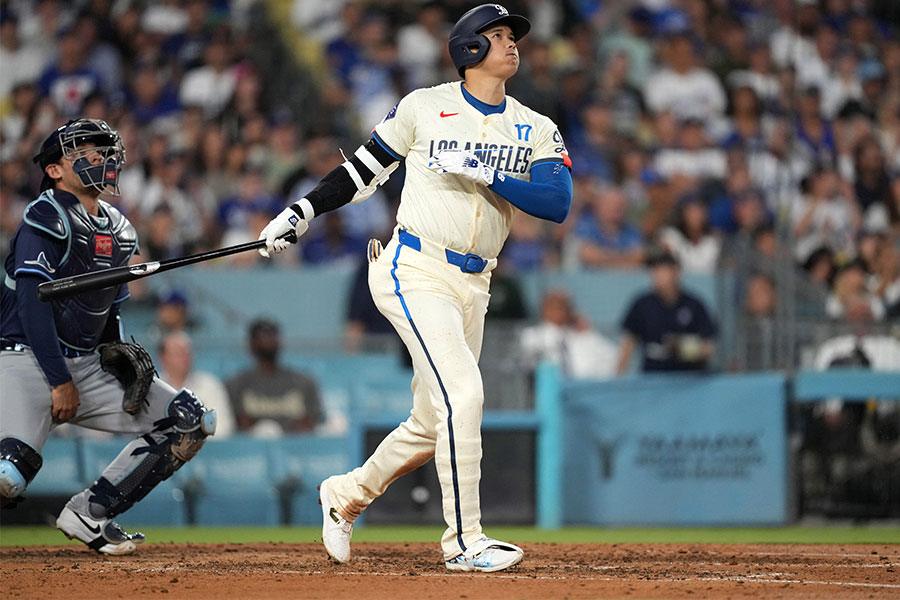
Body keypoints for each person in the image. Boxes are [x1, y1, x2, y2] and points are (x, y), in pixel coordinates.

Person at [258, 4, 572, 573]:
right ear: (469, 48)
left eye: (511, 36)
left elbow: (557, 203)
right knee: (465, 395)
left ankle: (346, 493)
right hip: (415, 268)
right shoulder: (424, 106)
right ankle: (464, 541)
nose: (511, 44)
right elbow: (361, 170)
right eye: (498, 35)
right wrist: (302, 210)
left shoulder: (534, 125)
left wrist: (487, 169)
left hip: (476, 282)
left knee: (432, 424)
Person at [0, 118, 216, 554]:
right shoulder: (45, 215)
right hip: (25, 359)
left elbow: (108, 310)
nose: (100, 157)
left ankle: (91, 512)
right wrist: (59, 380)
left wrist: (117, 348)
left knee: (191, 421)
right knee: (8, 478)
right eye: (85, 151)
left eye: (103, 150)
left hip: (85, 363)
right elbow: (32, 303)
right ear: (55, 170)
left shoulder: (119, 229)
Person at [617, 250, 717, 374]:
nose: (657, 276)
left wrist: (680, 347)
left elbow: (708, 347)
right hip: (653, 380)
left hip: (688, 379)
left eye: (662, 271)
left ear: (675, 272)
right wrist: (618, 377)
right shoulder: (642, 305)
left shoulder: (694, 305)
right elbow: (628, 344)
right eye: (654, 271)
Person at [225, 318, 323, 436]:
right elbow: (238, 423)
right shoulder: (235, 384)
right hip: (253, 451)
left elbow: (311, 421)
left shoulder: (304, 382)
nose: (268, 340)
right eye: (262, 336)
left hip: (296, 450)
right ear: (250, 344)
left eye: (272, 335)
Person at [519, 289, 617, 380]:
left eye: (564, 306)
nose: (559, 311)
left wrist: (589, 332)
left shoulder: (582, 336)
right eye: (554, 306)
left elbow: (614, 359)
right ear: (544, 309)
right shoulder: (533, 336)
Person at [158, 330, 235, 438]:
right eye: (179, 353)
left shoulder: (211, 385)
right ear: (163, 358)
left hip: (205, 451)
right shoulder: (152, 388)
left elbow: (222, 430)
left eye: (188, 353)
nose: (185, 358)